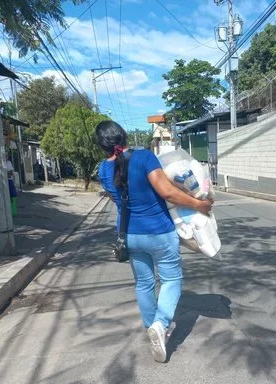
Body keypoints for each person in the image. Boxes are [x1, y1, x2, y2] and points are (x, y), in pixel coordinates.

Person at [96, 120, 212, 363]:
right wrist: (199, 204)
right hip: (158, 231)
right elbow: (167, 192)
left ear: (102, 146)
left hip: (129, 234)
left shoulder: (102, 170)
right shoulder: (144, 158)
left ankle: (153, 328)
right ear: (124, 136)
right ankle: (160, 325)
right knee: (171, 279)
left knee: (144, 283)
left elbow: (119, 199)